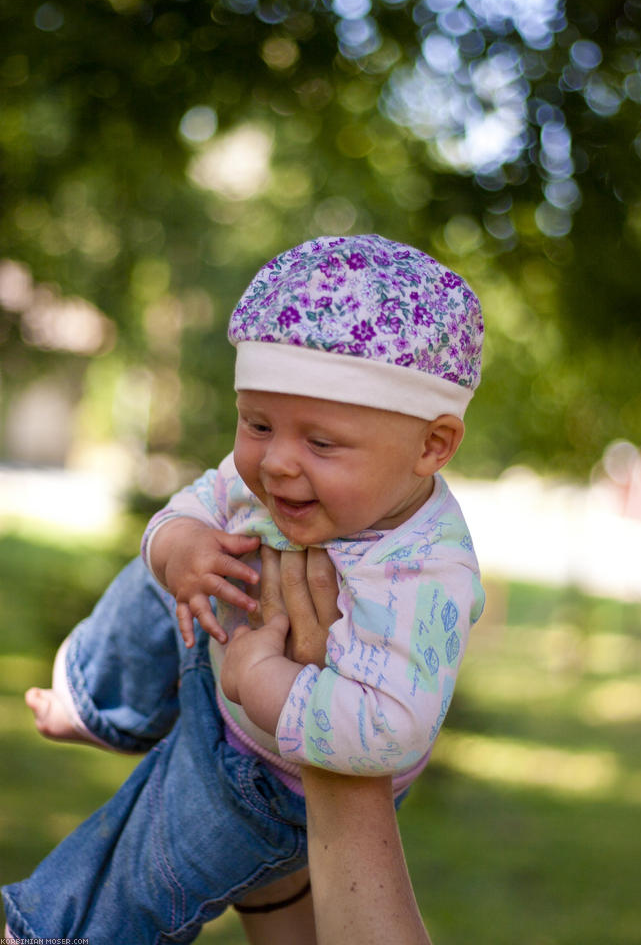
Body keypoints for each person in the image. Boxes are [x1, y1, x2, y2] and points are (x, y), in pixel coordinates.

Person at [3, 233, 484, 943]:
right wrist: (181, 546)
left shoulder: (423, 574)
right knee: (176, 560)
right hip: (224, 656)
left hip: (268, 779)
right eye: (256, 423)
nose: (278, 463)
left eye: (321, 443)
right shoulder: (268, 475)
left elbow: (388, 729)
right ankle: (99, 698)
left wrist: (262, 677)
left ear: (431, 446)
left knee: (140, 866)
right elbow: (198, 499)